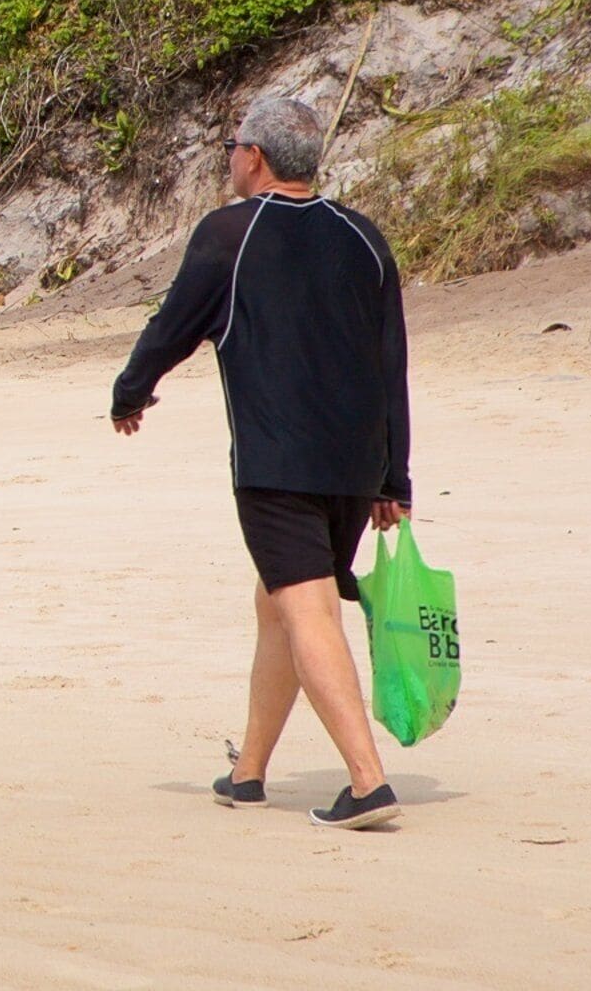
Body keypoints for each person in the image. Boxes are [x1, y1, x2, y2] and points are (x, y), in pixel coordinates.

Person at [112, 91, 414, 832]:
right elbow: (391, 363)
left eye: (232, 148)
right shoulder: (362, 235)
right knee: (276, 603)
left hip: (278, 463)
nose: (231, 160)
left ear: (255, 156)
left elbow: (173, 325)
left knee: (304, 608)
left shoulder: (231, 234)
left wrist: (130, 390)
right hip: (352, 465)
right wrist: (392, 475)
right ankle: (249, 772)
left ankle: (368, 781)